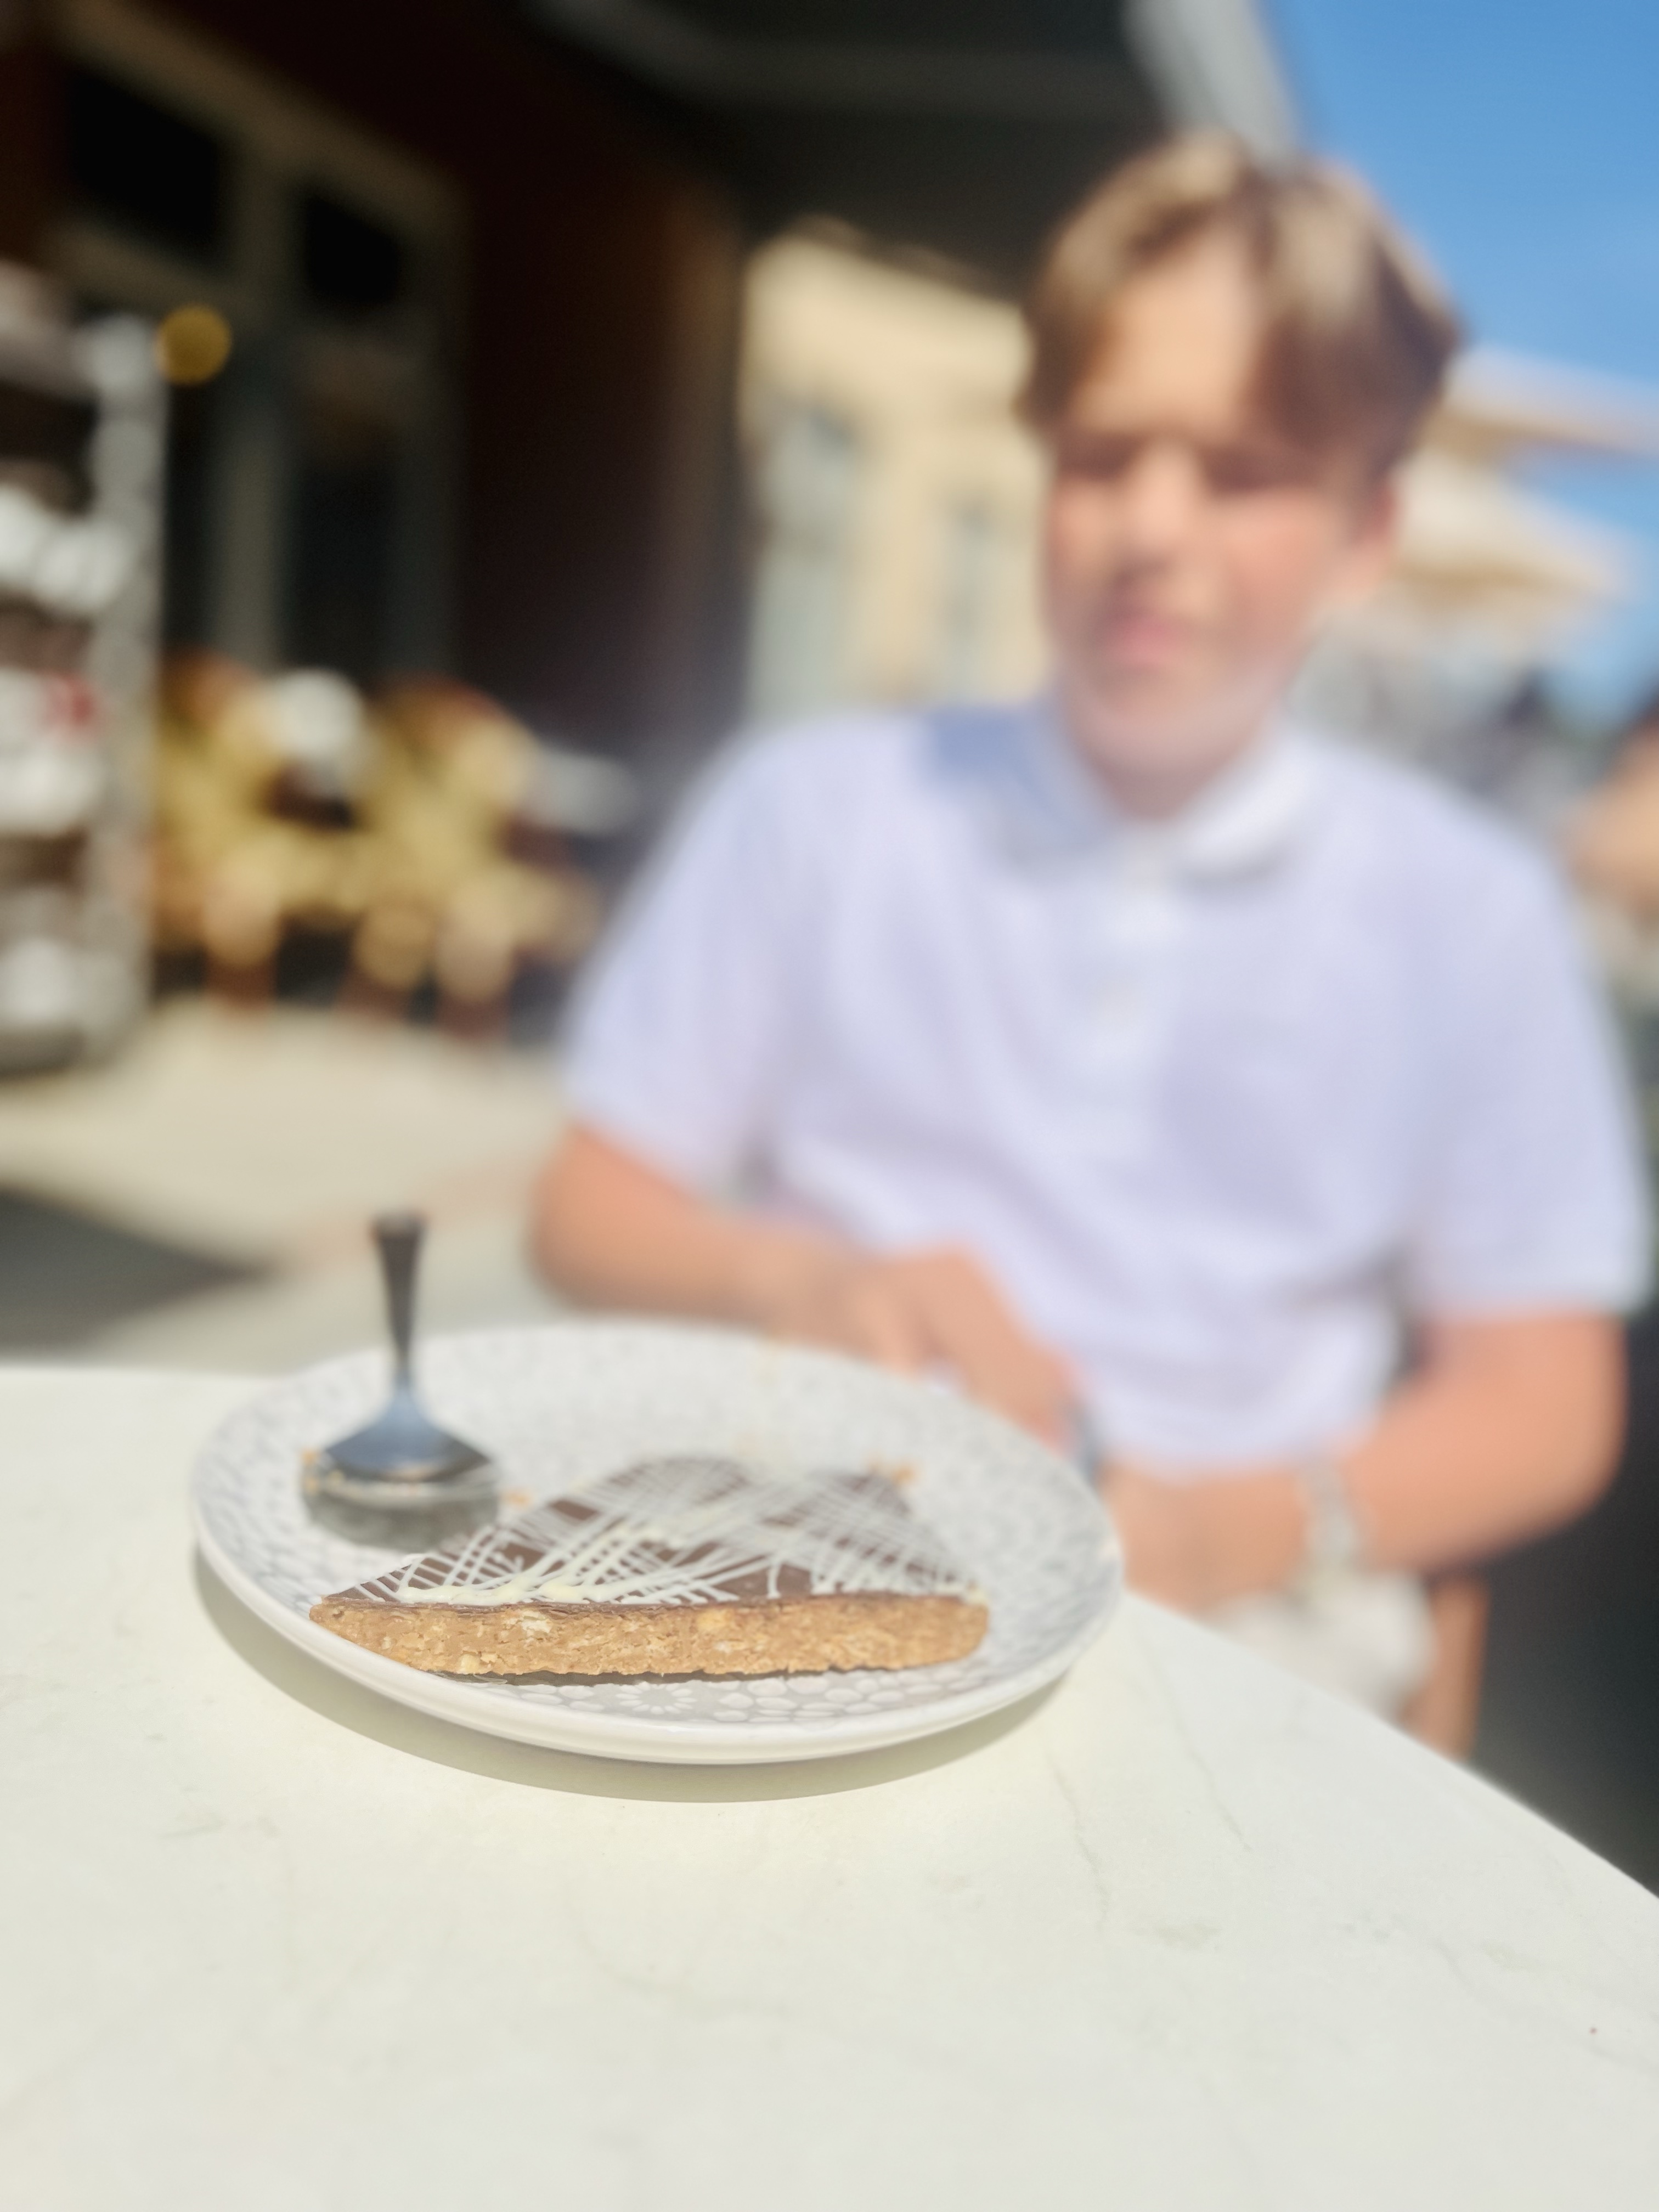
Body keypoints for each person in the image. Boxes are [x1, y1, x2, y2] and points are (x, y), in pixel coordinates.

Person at [532, 136, 1649, 1746]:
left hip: (1246, 1614)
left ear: (1367, 534)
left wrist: (1225, 1530)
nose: (1152, 526)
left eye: (1244, 471)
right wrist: (799, 1272)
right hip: (803, 1529)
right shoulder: (816, 805)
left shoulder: (1472, 912)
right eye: (1104, 453)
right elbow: (587, 1203)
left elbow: (1546, 1401)